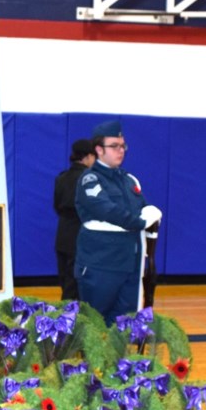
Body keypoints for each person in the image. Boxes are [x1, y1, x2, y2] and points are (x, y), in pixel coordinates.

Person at [74, 120, 163, 326]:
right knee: (95, 324)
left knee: (124, 324)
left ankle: (120, 360)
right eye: (114, 146)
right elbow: (107, 210)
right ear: (98, 149)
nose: (120, 151)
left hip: (129, 264)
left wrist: (150, 212)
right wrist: (140, 222)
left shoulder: (128, 180)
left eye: (123, 146)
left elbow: (143, 206)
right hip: (101, 265)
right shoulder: (90, 180)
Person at [53, 139, 96, 300]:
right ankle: (69, 320)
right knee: (76, 286)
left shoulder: (61, 178)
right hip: (81, 235)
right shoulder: (89, 179)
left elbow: (57, 205)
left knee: (65, 281)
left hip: (63, 234)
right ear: (87, 157)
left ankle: (65, 317)